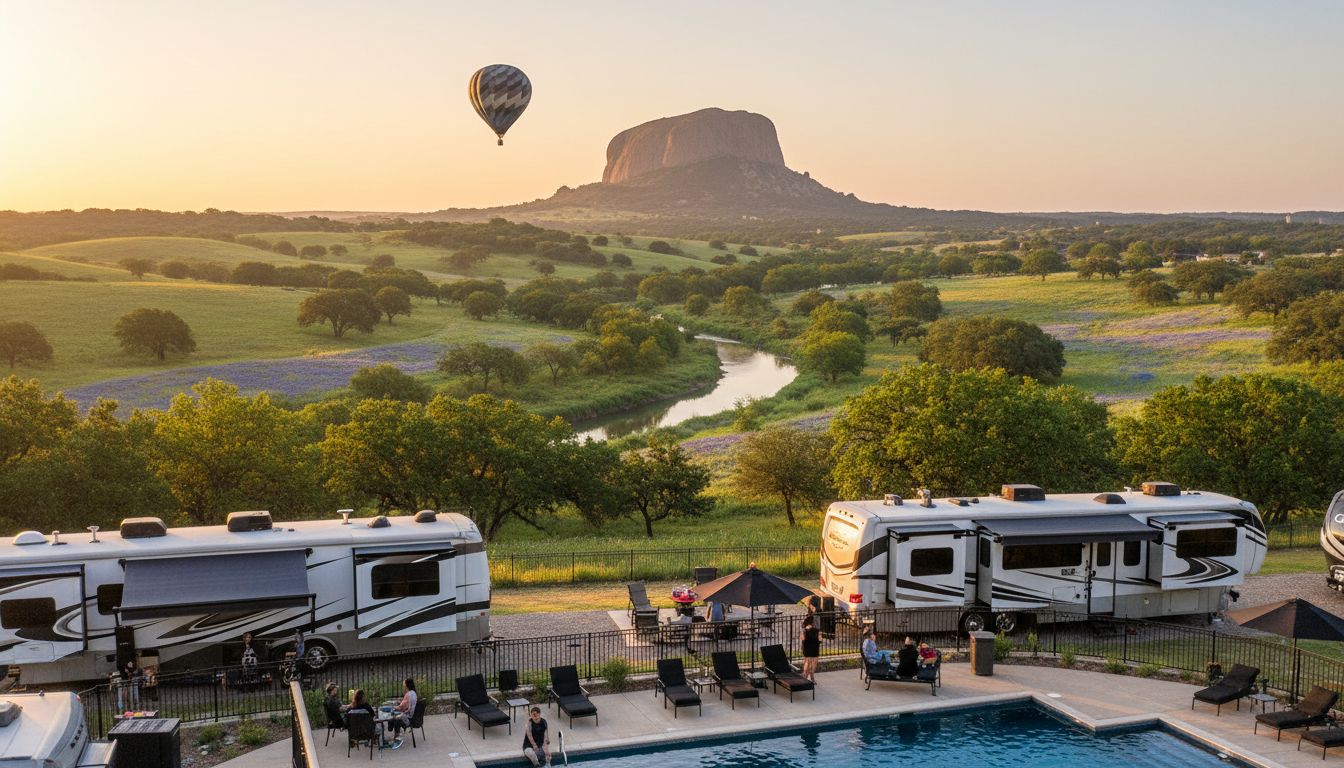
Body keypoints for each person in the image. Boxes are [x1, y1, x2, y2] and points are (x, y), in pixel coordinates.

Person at [386, 677, 417, 749]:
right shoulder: (414, 693)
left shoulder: (408, 694)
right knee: (395, 717)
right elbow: (406, 705)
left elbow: (401, 708)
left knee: (393, 718)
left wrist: (392, 707)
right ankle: (394, 734)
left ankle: (396, 738)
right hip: (412, 716)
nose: (403, 685)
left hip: (407, 718)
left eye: (404, 684)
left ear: (407, 685)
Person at [801, 616, 821, 682]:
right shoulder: (817, 630)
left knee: (807, 662)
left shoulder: (804, 631)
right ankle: (812, 676)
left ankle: (805, 675)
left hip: (807, 648)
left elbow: (802, 639)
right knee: (814, 663)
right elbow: (820, 639)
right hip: (815, 648)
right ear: (812, 623)